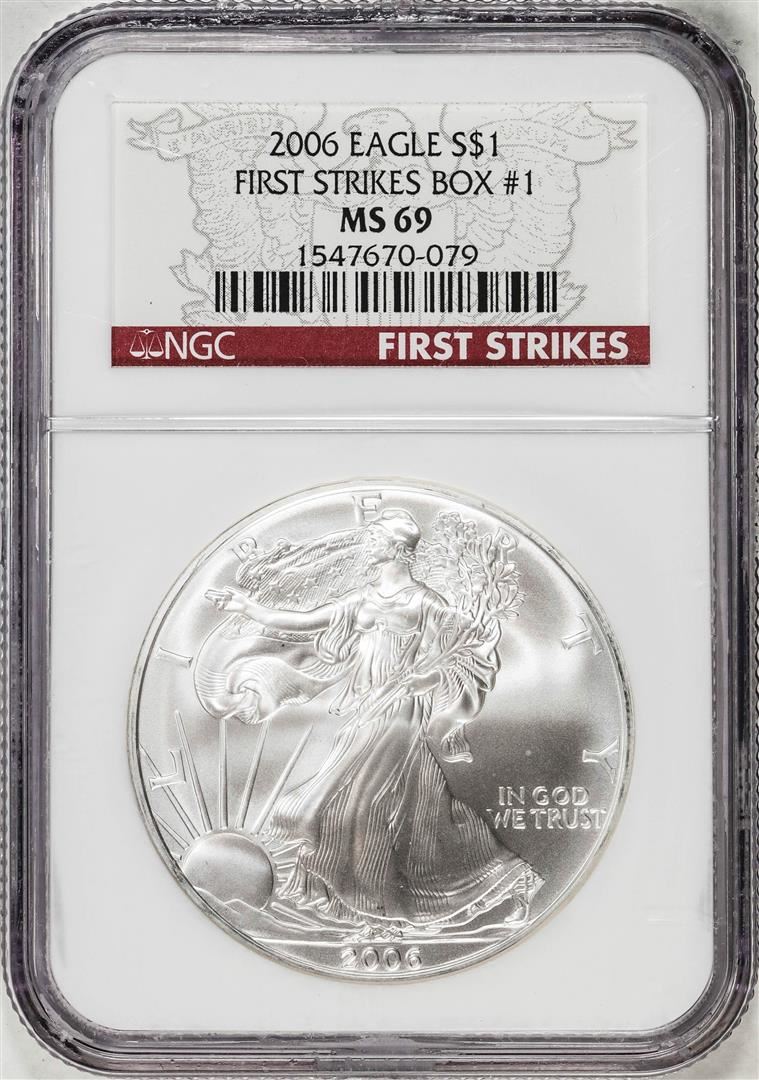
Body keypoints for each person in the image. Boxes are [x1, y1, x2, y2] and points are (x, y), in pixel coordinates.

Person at [208, 508, 539, 930]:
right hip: (368, 708)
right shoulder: (362, 599)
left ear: (398, 550)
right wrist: (249, 608)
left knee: (355, 800)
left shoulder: (425, 602)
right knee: (418, 807)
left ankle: (371, 899)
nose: (368, 544)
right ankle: (416, 895)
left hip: (401, 712)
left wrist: (427, 677)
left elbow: (466, 655)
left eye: (376, 539)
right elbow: (305, 622)